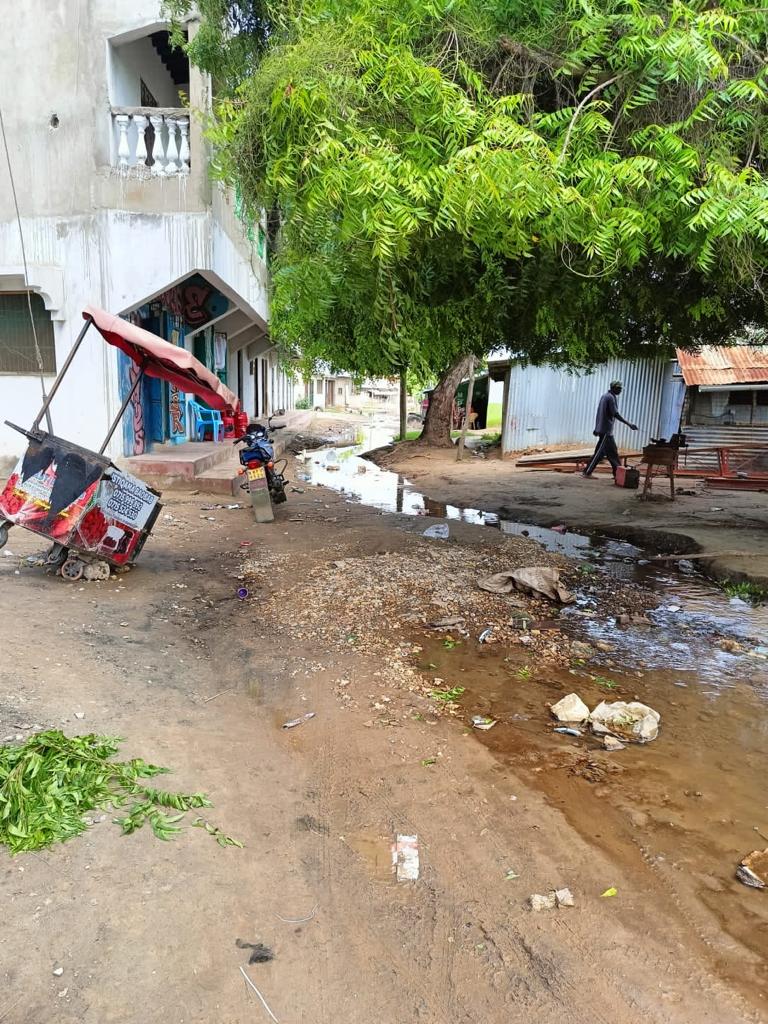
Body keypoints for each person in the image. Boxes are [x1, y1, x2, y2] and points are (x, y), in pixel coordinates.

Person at [582, 380, 637, 478]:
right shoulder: (610, 398)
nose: (620, 390)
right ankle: (587, 472)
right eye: (618, 388)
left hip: (605, 430)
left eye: (620, 388)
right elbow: (615, 414)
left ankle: (617, 474)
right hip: (606, 431)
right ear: (613, 388)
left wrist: (597, 428)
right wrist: (629, 424)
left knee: (611, 453)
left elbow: (600, 413)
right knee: (602, 454)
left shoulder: (605, 396)